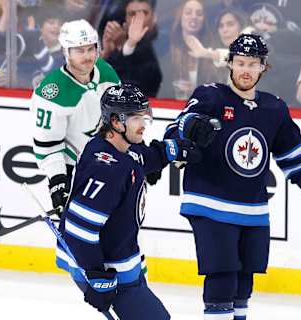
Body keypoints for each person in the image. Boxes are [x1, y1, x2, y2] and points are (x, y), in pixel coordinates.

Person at [164, 33, 301, 320]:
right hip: (210, 204)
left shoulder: (273, 108)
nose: (245, 70)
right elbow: (175, 132)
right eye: (240, 62)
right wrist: (189, 129)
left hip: (252, 209)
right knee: (222, 279)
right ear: (229, 63)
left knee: (243, 284)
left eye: (253, 64)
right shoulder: (209, 96)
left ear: (264, 67)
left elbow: (296, 159)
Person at [55, 83, 201, 319]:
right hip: (108, 271)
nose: (143, 124)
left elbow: (142, 157)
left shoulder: (119, 148)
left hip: (122, 262)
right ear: (115, 121)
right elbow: (80, 230)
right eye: (135, 118)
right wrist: (96, 277)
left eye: (144, 115)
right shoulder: (106, 168)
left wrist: (169, 151)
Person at [31, 19, 120, 213]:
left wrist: (138, 152)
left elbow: (121, 119)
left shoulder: (106, 72)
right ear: (65, 52)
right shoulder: (51, 93)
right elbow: (48, 147)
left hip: (110, 163)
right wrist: (58, 182)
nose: (87, 56)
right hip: (76, 171)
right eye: (80, 50)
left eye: (91, 49)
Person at [103, 0, 162, 97]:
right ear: (125, 20)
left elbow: (140, 85)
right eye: (132, 14)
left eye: (144, 13)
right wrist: (107, 53)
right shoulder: (118, 49)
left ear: (154, 18)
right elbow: (106, 84)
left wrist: (129, 44)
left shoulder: (160, 44)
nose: (139, 18)